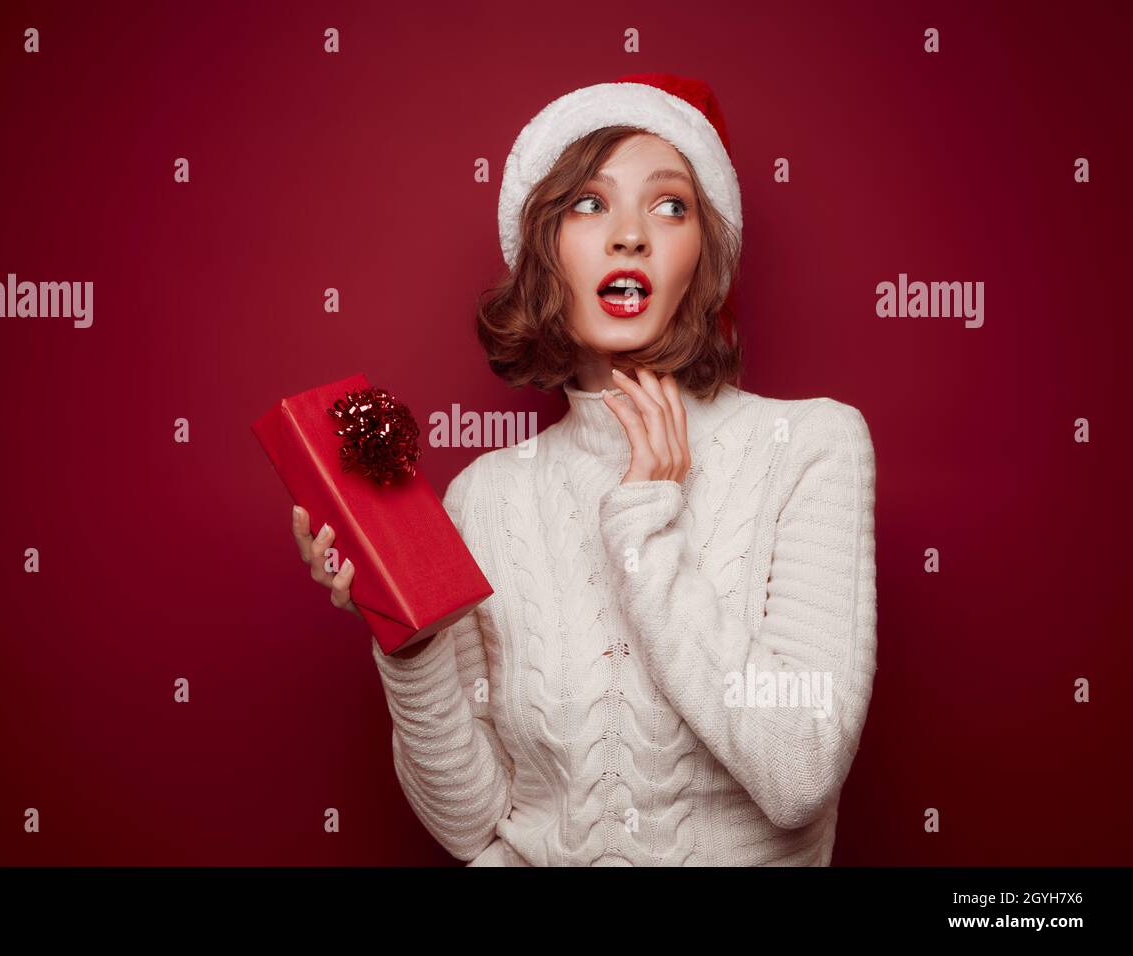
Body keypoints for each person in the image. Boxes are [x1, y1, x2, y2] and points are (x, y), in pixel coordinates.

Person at [290, 73, 877, 866]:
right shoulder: (487, 498)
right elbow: (470, 824)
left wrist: (646, 530)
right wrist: (409, 643)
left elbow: (800, 771)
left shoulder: (812, 446)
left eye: (670, 205)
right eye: (590, 204)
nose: (630, 233)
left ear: (703, 253)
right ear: (546, 249)